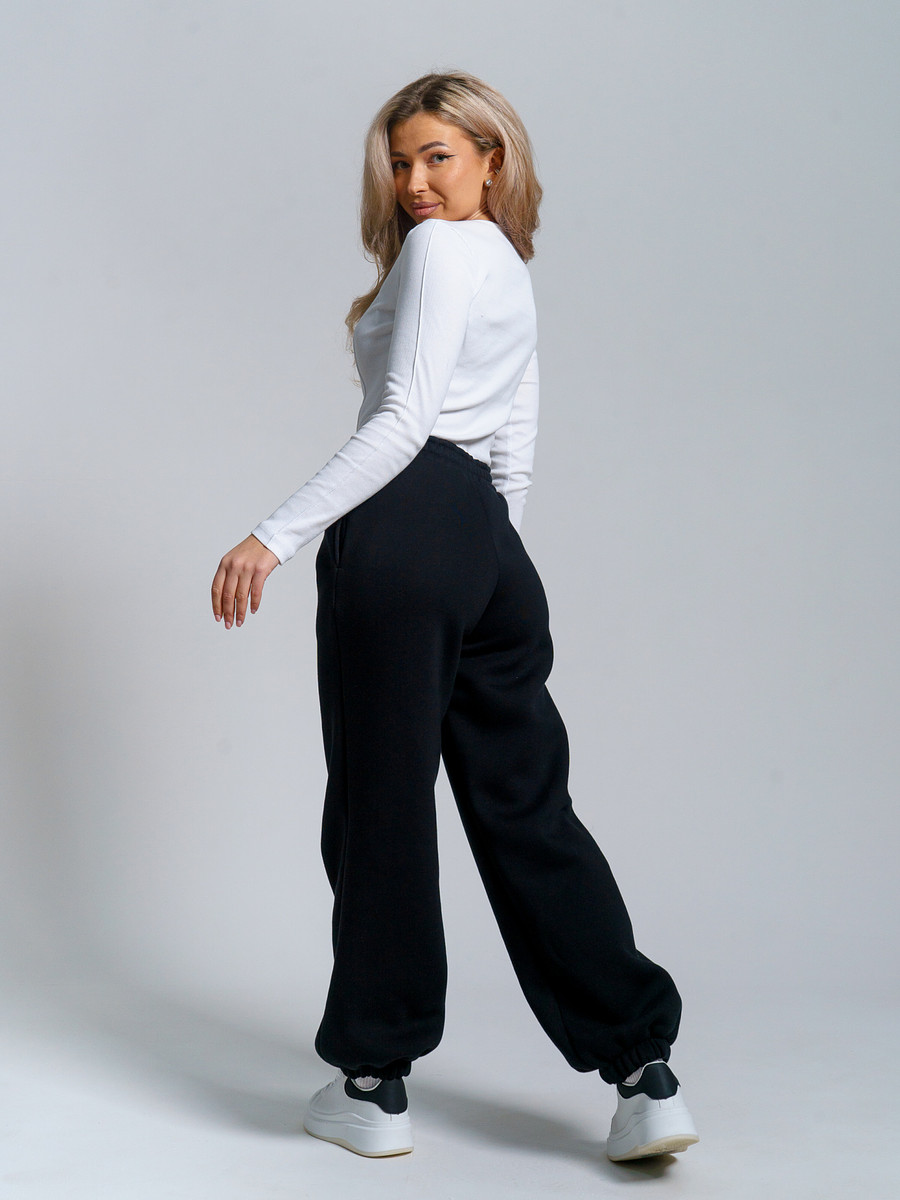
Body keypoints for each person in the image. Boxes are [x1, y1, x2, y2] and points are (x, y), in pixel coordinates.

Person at [211, 70, 699, 1163]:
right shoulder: (510, 268)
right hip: (485, 541)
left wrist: (274, 535)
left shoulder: (438, 252)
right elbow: (511, 454)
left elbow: (402, 422)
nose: (416, 183)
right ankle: (644, 1072)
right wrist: (483, 563)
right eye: (400, 163)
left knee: (381, 803)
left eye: (438, 155)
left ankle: (373, 1083)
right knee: (527, 806)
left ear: (492, 157)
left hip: (406, 519)